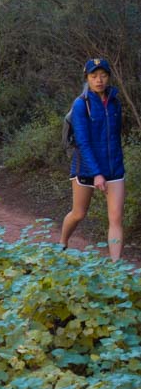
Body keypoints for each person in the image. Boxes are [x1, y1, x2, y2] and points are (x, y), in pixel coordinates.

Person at [60, 57, 125, 261]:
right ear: (87, 78)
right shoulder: (81, 104)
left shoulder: (115, 103)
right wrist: (97, 173)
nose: (99, 80)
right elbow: (83, 142)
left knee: (115, 219)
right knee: (78, 213)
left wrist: (114, 165)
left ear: (109, 77)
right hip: (86, 168)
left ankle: (116, 269)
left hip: (114, 168)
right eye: (94, 76)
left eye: (103, 75)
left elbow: (116, 135)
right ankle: (62, 243)